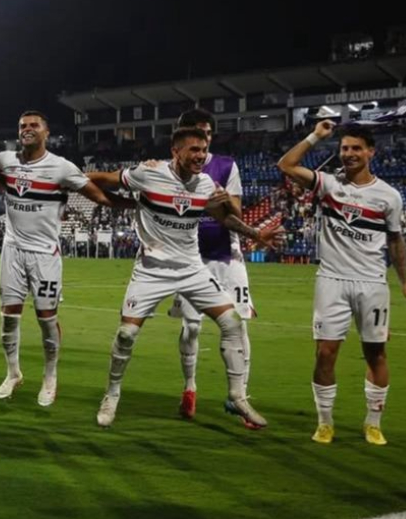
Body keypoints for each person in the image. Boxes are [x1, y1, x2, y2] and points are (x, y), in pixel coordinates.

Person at [87, 127, 281, 429]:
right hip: (152, 269)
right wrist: (127, 204)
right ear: (175, 151)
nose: (200, 156)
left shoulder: (205, 184)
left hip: (192, 268)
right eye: (193, 150)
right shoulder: (147, 174)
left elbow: (223, 218)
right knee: (126, 335)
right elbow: (98, 180)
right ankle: (111, 395)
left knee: (232, 322)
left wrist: (256, 233)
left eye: (203, 150)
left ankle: (237, 396)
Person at [277, 120, 406, 445]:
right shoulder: (327, 184)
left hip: (372, 282)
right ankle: (325, 423)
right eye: (344, 149)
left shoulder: (389, 196)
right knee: (325, 353)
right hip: (331, 280)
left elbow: (396, 242)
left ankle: (373, 423)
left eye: (356, 148)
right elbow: (286, 165)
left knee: (376, 353)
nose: (349, 154)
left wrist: (405, 284)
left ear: (371, 152)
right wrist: (315, 136)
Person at [0, 111, 126, 406]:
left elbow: (99, 196)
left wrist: (139, 205)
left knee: (46, 320)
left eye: (34, 125)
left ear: (46, 132)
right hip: (11, 251)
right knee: (8, 318)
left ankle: (50, 377)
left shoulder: (61, 167)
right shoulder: (5, 160)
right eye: (23, 125)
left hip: (44, 255)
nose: (27, 129)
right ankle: (13, 374)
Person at [170, 109, 256, 423]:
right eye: (194, 132)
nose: (202, 138)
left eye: (206, 133)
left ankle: (240, 396)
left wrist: (222, 200)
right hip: (189, 258)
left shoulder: (226, 165)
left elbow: (237, 212)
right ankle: (190, 387)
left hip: (227, 256)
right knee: (191, 327)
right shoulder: (167, 172)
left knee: (238, 324)